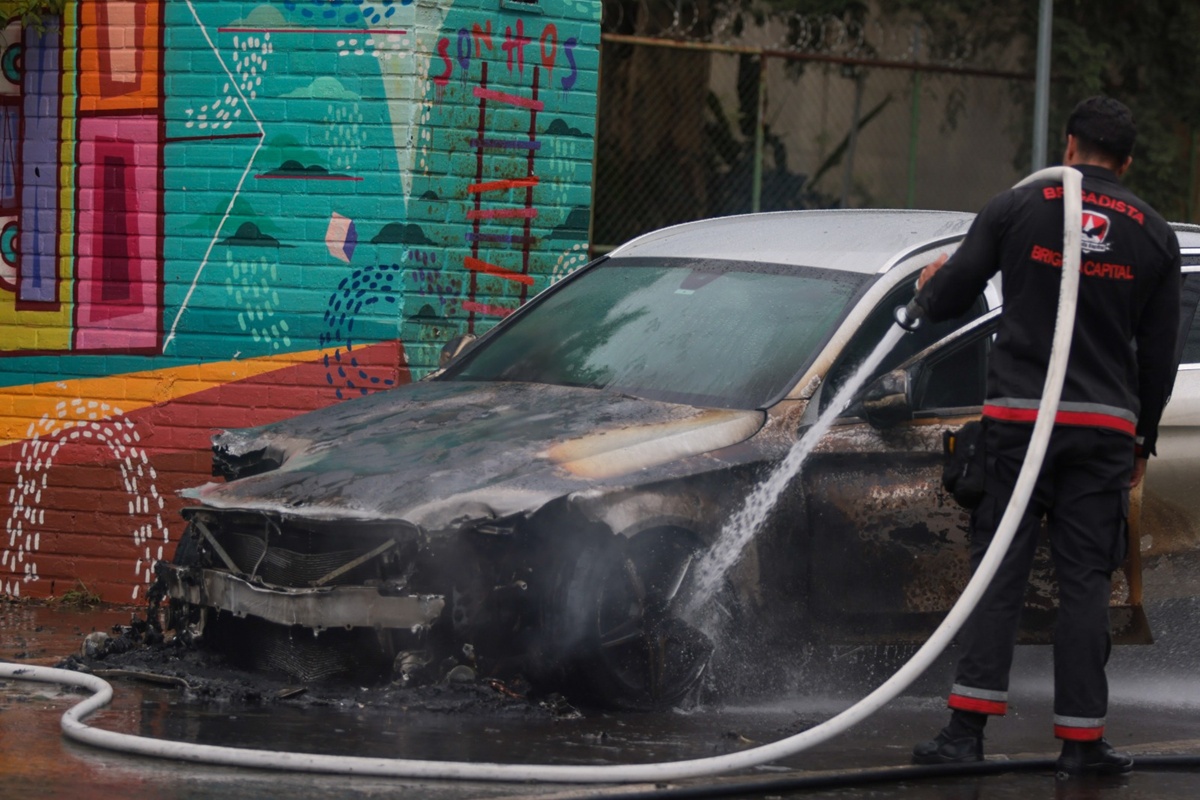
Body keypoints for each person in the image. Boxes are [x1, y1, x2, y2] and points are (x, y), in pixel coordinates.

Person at [908, 96, 1182, 777]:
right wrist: (1140, 441)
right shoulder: (1153, 233)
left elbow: (953, 293)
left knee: (998, 572)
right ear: (1127, 162)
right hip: (1102, 432)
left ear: (1067, 146)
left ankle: (965, 735)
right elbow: (1159, 356)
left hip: (1020, 424)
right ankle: (1082, 745)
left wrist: (927, 290)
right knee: (1085, 584)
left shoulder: (1018, 206)